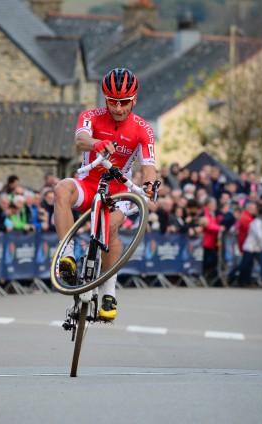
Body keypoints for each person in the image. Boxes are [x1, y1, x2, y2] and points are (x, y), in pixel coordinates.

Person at [53, 68, 157, 321]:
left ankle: (109, 291)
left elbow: (148, 167)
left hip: (119, 190)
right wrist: (96, 143)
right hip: (89, 182)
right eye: (112, 101)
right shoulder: (91, 116)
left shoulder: (143, 129)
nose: (118, 108)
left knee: (109, 226)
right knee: (61, 190)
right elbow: (81, 138)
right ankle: (66, 255)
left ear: (134, 99)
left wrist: (150, 187)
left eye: (123, 102)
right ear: (105, 99)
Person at [238, 203, 262, 287]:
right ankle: (232, 277)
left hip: (257, 248)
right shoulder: (257, 223)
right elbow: (260, 237)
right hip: (250, 247)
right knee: (244, 265)